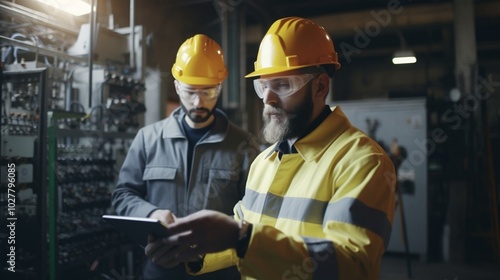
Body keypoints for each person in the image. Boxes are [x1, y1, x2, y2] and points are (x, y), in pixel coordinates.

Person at [145, 17, 396, 280]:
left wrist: (241, 238)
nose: (268, 99)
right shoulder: (264, 161)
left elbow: (352, 266)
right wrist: (193, 250)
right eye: (263, 86)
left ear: (320, 86)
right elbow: (239, 242)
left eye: (283, 85)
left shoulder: (363, 162)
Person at [111, 34, 260, 280]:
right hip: (161, 269)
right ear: (177, 85)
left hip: (220, 271)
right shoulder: (148, 139)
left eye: (209, 92)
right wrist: (151, 214)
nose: (198, 101)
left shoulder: (245, 146)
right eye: (190, 91)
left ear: (220, 86)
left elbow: (255, 212)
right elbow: (122, 195)